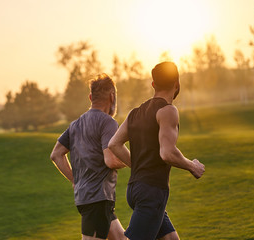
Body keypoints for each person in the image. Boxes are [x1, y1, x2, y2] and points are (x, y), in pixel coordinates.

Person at [108, 62, 205, 240]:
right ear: (177, 84)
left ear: (153, 85)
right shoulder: (168, 111)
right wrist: (193, 166)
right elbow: (167, 153)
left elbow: (114, 144)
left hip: (135, 189)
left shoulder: (134, 113)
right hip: (151, 192)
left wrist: (137, 166)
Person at [50, 73, 128, 240]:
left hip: (89, 198)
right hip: (97, 198)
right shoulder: (108, 122)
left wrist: (74, 180)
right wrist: (133, 163)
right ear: (112, 97)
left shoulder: (75, 125)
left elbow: (56, 155)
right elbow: (111, 160)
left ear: (91, 97)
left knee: (121, 238)